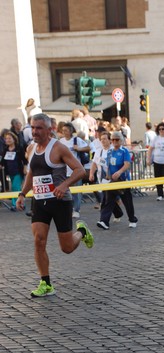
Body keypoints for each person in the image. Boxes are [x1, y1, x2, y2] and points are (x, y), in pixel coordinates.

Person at [15, 113, 94, 297]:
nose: (34, 131)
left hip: (60, 201)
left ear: (49, 129)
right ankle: (46, 283)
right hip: (40, 201)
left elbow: (80, 170)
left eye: (39, 128)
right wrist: (22, 194)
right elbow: (31, 173)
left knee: (66, 248)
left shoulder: (59, 148)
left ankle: (81, 231)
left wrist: (64, 184)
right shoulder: (31, 149)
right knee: (38, 240)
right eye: (33, 127)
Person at [97, 131, 138, 230]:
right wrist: (108, 175)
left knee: (127, 201)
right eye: (113, 139)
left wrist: (119, 172)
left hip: (123, 180)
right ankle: (104, 221)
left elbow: (127, 164)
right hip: (112, 181)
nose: (114, 141)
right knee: (108, 200)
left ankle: (132, 219)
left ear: (121, 140)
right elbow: (109, 165)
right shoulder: (110, 152)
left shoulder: (124, 151)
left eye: (117, 139)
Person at [59, 122, 91, 218]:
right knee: (65, 190)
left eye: (66, 130)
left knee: (77, 191)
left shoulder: (76, 140)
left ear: (71, 131)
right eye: (63, 130)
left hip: (76, 170)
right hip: (64, 170)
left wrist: (79, 149)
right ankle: (68, 208)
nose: (64, 132)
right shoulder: (61, 141)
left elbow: (88, 148)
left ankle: (76, 209)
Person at [1, 131, 27, 208]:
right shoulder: (5, 149)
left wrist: (25, 168)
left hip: (18, 171)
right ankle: (19, 203)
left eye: (9, 138)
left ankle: (16, 204)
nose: (7, 140)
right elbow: (3, 161)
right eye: (6, 139)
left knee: (15, 187)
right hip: (9, 172)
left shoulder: (19, 148)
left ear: (14, 139)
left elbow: (25, 160)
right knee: (14, 187)